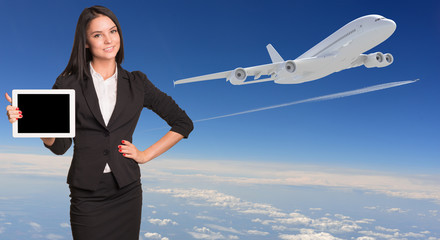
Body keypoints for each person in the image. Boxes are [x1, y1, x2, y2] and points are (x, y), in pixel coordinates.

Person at [5, 5, 193, 240]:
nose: (108, 40)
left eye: (113, 31)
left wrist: (145, 156)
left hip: (127, 191)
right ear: (85, 42)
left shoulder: (138, 82)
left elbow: (182, 123)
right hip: (87, 195)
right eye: (97, 35)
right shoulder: (67, 84)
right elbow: (60, 146)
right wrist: (34, 125)